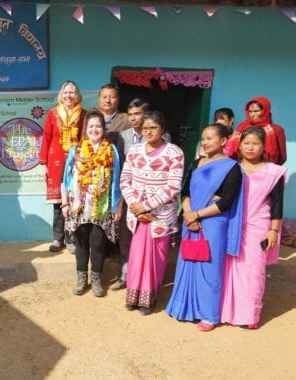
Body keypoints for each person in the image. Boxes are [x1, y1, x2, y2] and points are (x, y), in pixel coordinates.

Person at [166, 123, 244, 332]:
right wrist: (189, 213)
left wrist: (197, 214)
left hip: (213, 224)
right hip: (191, 221)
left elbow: (226, 201)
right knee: (187, 263)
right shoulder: (196, 163)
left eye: (210, 138)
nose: (205, 142)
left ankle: (209, 315)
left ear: (224, 141)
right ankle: (184, 307)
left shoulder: (232, 167)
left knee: (210, 269)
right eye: (203, 138)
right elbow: (184, 192)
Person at [221, 127, 287, 329]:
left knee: (253, 271)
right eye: (246, 143)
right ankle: (225, 312)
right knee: (228, 269)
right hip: (231, 224)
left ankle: (249, 315)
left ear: (263, 146)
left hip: (258, 226)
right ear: (239, 145)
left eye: (255, 143)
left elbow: (277, 204)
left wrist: (273, 230)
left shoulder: (273, 172)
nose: (250, 147)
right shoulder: (231, 168)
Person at [120, 111, 184, 314]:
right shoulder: (134, 151)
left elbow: (174, 185)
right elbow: (125, 179)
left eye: (153, 127)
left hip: (159, 216)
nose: (149, 131)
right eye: (145, 128)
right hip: (137, 214)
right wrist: (134, 204)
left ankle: (149, 298)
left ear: (162, 129)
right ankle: (133, 295)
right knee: (137, 255)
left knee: (155, 258)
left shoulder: (174, 152)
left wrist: (147, 206)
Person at [61, 110, 121, 297]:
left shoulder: (111, 150)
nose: (94, 129)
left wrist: (117, 206)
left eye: (98, 126)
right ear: (85, 129)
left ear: (104, 129)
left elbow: (118, 181)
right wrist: (65, 203)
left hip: (102, 207)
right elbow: (66, 179)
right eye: (91, 126)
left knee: (97, 243)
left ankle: (96, 280)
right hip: (78, 205)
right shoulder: (76, 150)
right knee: (81, 242)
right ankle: (81, 280)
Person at [40, 81, 86, 253]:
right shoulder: (52, 114)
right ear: (61, 95)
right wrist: (43, 164)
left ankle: (71, 238)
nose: (68, 96)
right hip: (55, 161)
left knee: (74, 201)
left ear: (77, 95)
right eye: (65, 92)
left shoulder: (84, 115)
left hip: (77, 162)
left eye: (72, 92)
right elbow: (46, 138)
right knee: (58, 202)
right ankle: (57, 238)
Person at [110, 98, 149, 291]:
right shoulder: (122, 136)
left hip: (150, 198)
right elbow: (118, 166)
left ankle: (143, 277)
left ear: (145, 114)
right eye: (131, 114)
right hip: (127, 195)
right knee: (125, 235)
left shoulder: (160, 135)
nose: (134, 118)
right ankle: (125, 274)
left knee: (146, 236)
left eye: (138, 114)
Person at [227, 96, 286, 165]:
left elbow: (282, 157)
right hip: (242, 168)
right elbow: (232, 149)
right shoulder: (241, 127)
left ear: (265, 111)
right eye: (250, 111)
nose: (252, 115)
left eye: (256, 111)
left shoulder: (277, 129)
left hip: (267, 170)